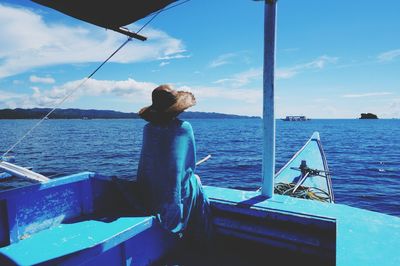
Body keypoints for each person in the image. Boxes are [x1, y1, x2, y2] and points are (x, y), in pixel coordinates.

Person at [136, 84, 212, 243]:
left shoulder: (148, 129)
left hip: (149, 191)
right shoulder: (184, 128)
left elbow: (148, 165)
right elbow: (189, 167)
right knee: (195, 181)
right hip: (172, 195)